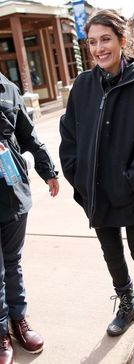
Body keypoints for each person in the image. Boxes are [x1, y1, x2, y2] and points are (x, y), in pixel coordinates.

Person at [59, 9, 134, 350]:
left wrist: (132, 180)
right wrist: (77, 174)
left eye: (106, 39)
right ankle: (127, 306)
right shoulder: (83, 85)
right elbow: (68, 135)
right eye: (93, 42)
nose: (99, 48)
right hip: (96, 188)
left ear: (122, 40)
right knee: (110, 251)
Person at [0, 72, 59, 364]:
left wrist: (48, 170)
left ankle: (18, 320)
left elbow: (28, 134)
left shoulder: (8, 89)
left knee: (12, 264)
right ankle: (1, 333)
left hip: (12, 195)